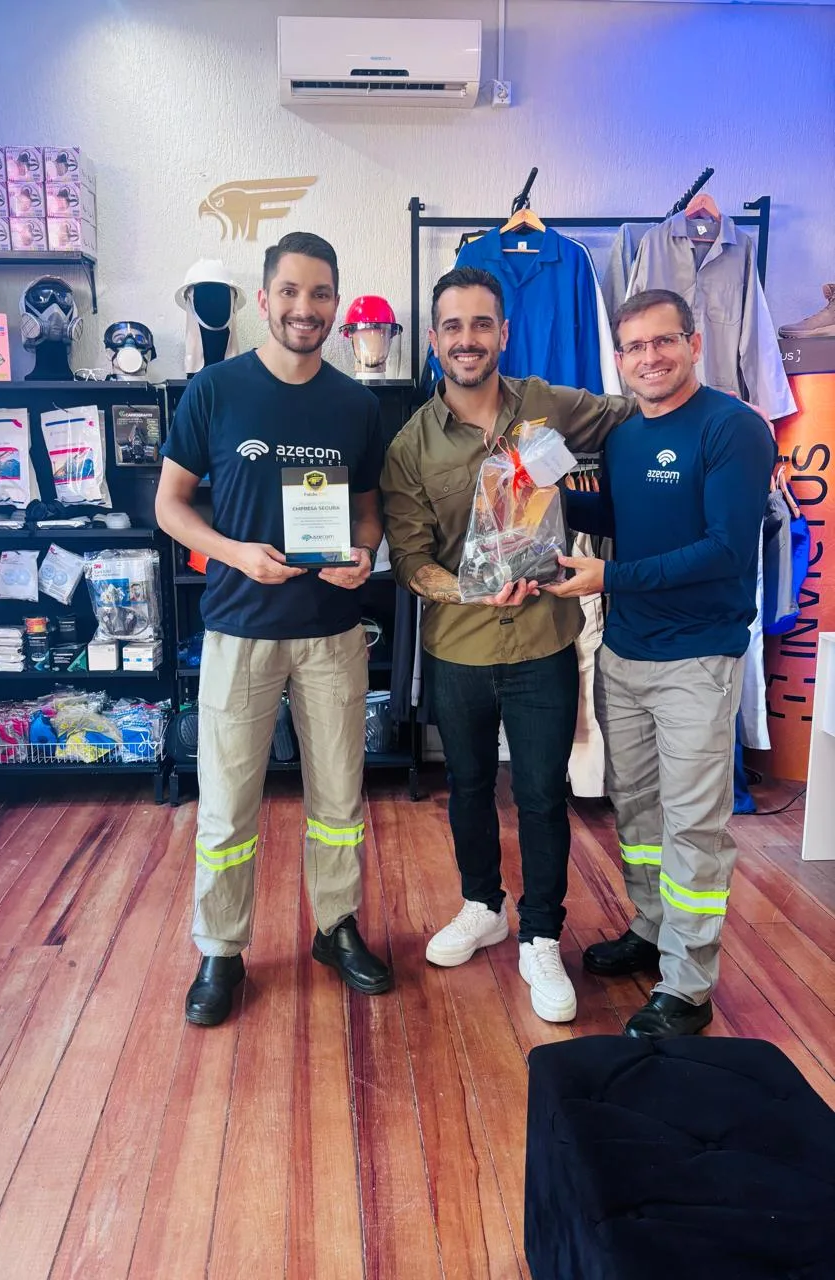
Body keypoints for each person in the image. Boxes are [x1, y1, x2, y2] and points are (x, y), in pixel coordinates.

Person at [380, 266, 633, 1024]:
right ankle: (482, 905)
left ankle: (542, 934)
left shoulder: (548, 405)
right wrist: (469, 591)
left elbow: (632, 415)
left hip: (543, 642)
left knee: (541, 793)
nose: (468, 339)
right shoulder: (410, 444)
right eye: (453, 327)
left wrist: (712, 419)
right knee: (465, 787)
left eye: (481, 324)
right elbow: (409, 558)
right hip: (458, 647)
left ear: (504, 333)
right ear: (434, 340)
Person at [156, 231, 392, 1027]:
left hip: (331, 632)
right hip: (239, 629)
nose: (305, 307)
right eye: (289, 291)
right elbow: (170, 505)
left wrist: (365, 552)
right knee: (227, 805)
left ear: (335, 303)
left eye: (320, 293)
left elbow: (366, 510)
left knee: (339, 797)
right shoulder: (216, 390)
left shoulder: (356, 404)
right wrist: (233, 553)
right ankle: (221, 949)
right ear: (264, 299)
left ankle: (336, 927)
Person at [548, 288, 776, 1039]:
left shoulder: (732, 428)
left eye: (663, 341)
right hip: (625, 654)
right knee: (640, 814)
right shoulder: (623, 439)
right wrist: (539, 494)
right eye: (634, 347)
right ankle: (650, 929)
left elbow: (726, 550)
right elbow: (620, 517)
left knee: (694, 828)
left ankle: (687, 984)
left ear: (693, 344)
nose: (649, 357)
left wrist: (608, 577)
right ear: (618, 359)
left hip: (696, 661)